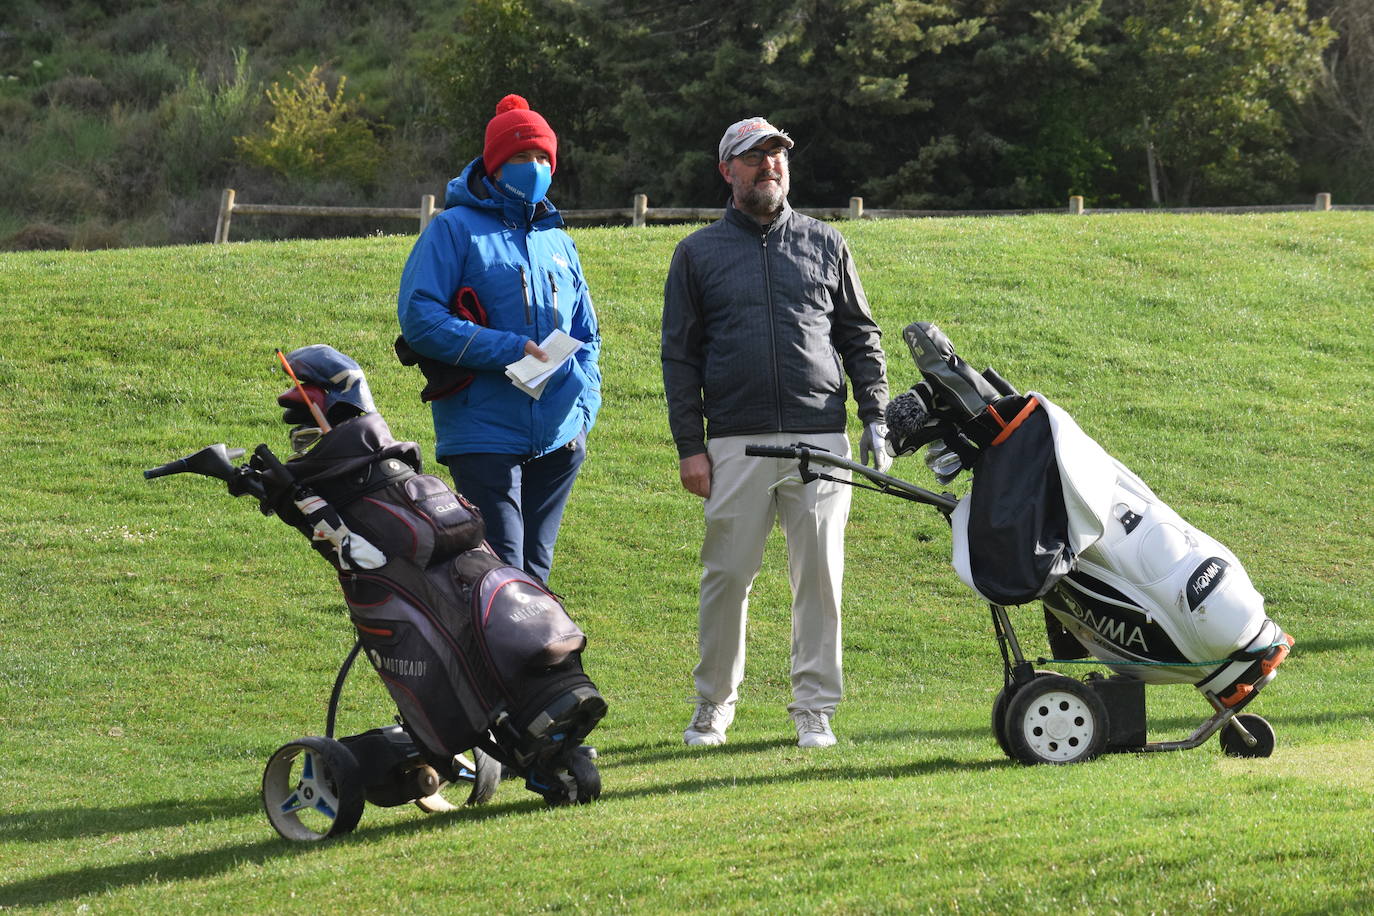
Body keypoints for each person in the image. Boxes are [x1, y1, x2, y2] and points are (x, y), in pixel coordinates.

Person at [661, 116, 890, 749]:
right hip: (734, 441)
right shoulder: (697, 253)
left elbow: (859, 337)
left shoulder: (825, 242)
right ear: (727, 170)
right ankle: (713, 706)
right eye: (755, 157)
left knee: (819, 576)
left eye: (778, 155)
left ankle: (814, 708)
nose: (770, 165)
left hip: (822, 440)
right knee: (727, 577)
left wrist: (874, 415)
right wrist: (690, 446)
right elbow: (679, 358)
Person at [397, 94, 601, 586]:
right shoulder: (453, 229)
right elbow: (420, 319)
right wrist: (507, 349)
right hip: (483, 432)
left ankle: (518, 663)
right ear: (494, 165)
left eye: (541, 158)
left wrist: (583, 412)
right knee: (504, 575)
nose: (533, 168)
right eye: (519, 158)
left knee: (535, 576)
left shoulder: (558, 241)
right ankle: (488, 663)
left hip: (559, 437)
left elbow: (586, 333)